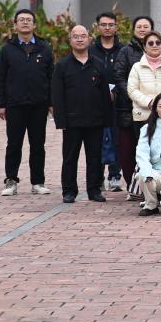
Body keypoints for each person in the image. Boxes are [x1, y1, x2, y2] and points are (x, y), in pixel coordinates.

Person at [0, 8, 54, 197]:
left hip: (39, 105)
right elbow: (0, 77)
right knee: (14, 144)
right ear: (15, 25)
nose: (25, 22)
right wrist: (1, 104)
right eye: (21, 20)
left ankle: (38, 182)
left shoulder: (44, 48)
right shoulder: (7, 49)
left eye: (29, 20)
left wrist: (51, 103)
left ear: (34, 25)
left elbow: (51, 77)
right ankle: (11, 181)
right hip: (15, 105)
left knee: (38, 145)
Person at [52, 25, 113, 203]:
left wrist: (108, 120)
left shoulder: (98, 64)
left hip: (95, 120)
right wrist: (60, 120)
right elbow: (57, 95)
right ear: (70, 40)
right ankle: (69, 191)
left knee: (95, 157)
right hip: (72, 121)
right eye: (75, 36)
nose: (79, 39)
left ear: (89, 40)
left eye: (83, 36)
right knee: (70, 158)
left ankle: (94, 190)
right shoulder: (62, 66)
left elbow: (105, 95)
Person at [113, 15, 152, 191]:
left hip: (153, 108)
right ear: (134, 29)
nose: (142, 29)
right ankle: (132, 186)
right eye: (139, 27)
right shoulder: (125, 52)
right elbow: (119, 76)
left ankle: (150, 186)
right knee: (128, 151)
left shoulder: (159, 49)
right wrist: (134, 95)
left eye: (146, 26)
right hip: (128, 109)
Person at [91, 11, 124, 192]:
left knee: (117, 139)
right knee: (96, 140)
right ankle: (97, 178)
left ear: (116, 27)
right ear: (97, 27)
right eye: (103, 25)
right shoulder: (90, 50)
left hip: (118, 102)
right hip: (95, 102)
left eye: (111, 25)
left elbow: (126, 74)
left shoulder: (123, 50)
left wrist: (116, 91)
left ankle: (115, 176)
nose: (107, 28)